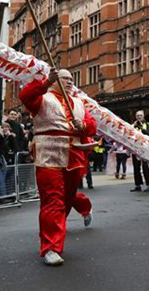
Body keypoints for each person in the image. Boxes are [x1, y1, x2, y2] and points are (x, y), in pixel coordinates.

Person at [19, 68, 96, 266]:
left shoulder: (79, 103)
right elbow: (25, 96)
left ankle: (72, 219)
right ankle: (51, 247)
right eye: (65, 79)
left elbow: (92, 125)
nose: (70, 82)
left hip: (74, 156)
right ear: (54, 80)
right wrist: (44, 83)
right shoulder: (43, 97)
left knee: (67, 199)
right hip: (48, 155)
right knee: (53, 201)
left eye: (72, 79)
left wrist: (83, 126)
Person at [130, 111, 149, 192]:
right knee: (136, 167)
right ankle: (138, 185)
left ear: (143, 116)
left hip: (144, 148)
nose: (139, 117)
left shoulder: (147, 124)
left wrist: (142, 128)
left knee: (145, 167)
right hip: (135, 148)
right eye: (137, 115)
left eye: (140, 115)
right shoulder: (133, 125)